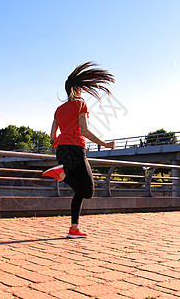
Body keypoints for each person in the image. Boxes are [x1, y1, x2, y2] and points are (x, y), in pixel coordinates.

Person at [42, 62, 116, 238]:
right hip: (76, 150)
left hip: (61, 151)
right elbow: (84, 130)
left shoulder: (58, 110)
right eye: (81, 88)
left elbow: (52, 135)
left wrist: (63, 139)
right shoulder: (81, 105)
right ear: (75, 89)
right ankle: (62, 176)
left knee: (79, 190)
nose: (82, 91)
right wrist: (105, 144)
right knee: (89, 190)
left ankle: (74, 229)